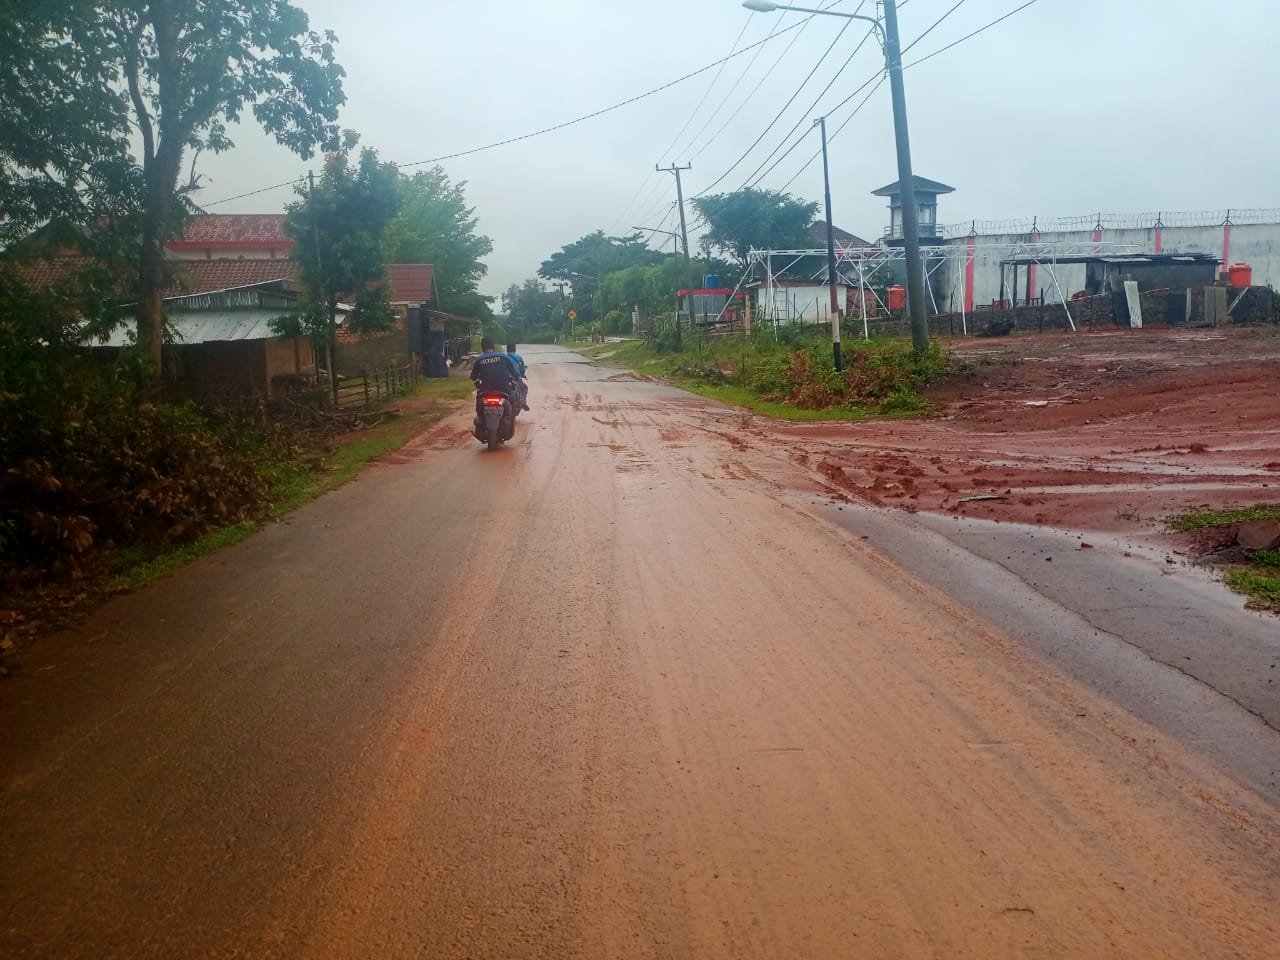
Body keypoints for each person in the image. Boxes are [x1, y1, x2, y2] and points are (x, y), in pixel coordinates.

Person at [470, 337, 521, 407]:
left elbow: (473, 376)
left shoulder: (479, 360)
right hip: (503, 389)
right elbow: (514, 372)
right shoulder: (503, 357)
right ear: (493, 346)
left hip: (485, 389)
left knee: (479, 401)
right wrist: (518, 377)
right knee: (512, 399)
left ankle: (480, 417)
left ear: (482, 347)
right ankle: (510, 415)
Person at [506, 342, 530, 411]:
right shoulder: (519, 358)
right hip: (515, 379)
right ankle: (523, 403)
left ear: (507, 350)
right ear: (515, 349)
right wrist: (522, 375)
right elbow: (522, 370)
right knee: (525, 387)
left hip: (505, 380)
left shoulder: (504, 357)